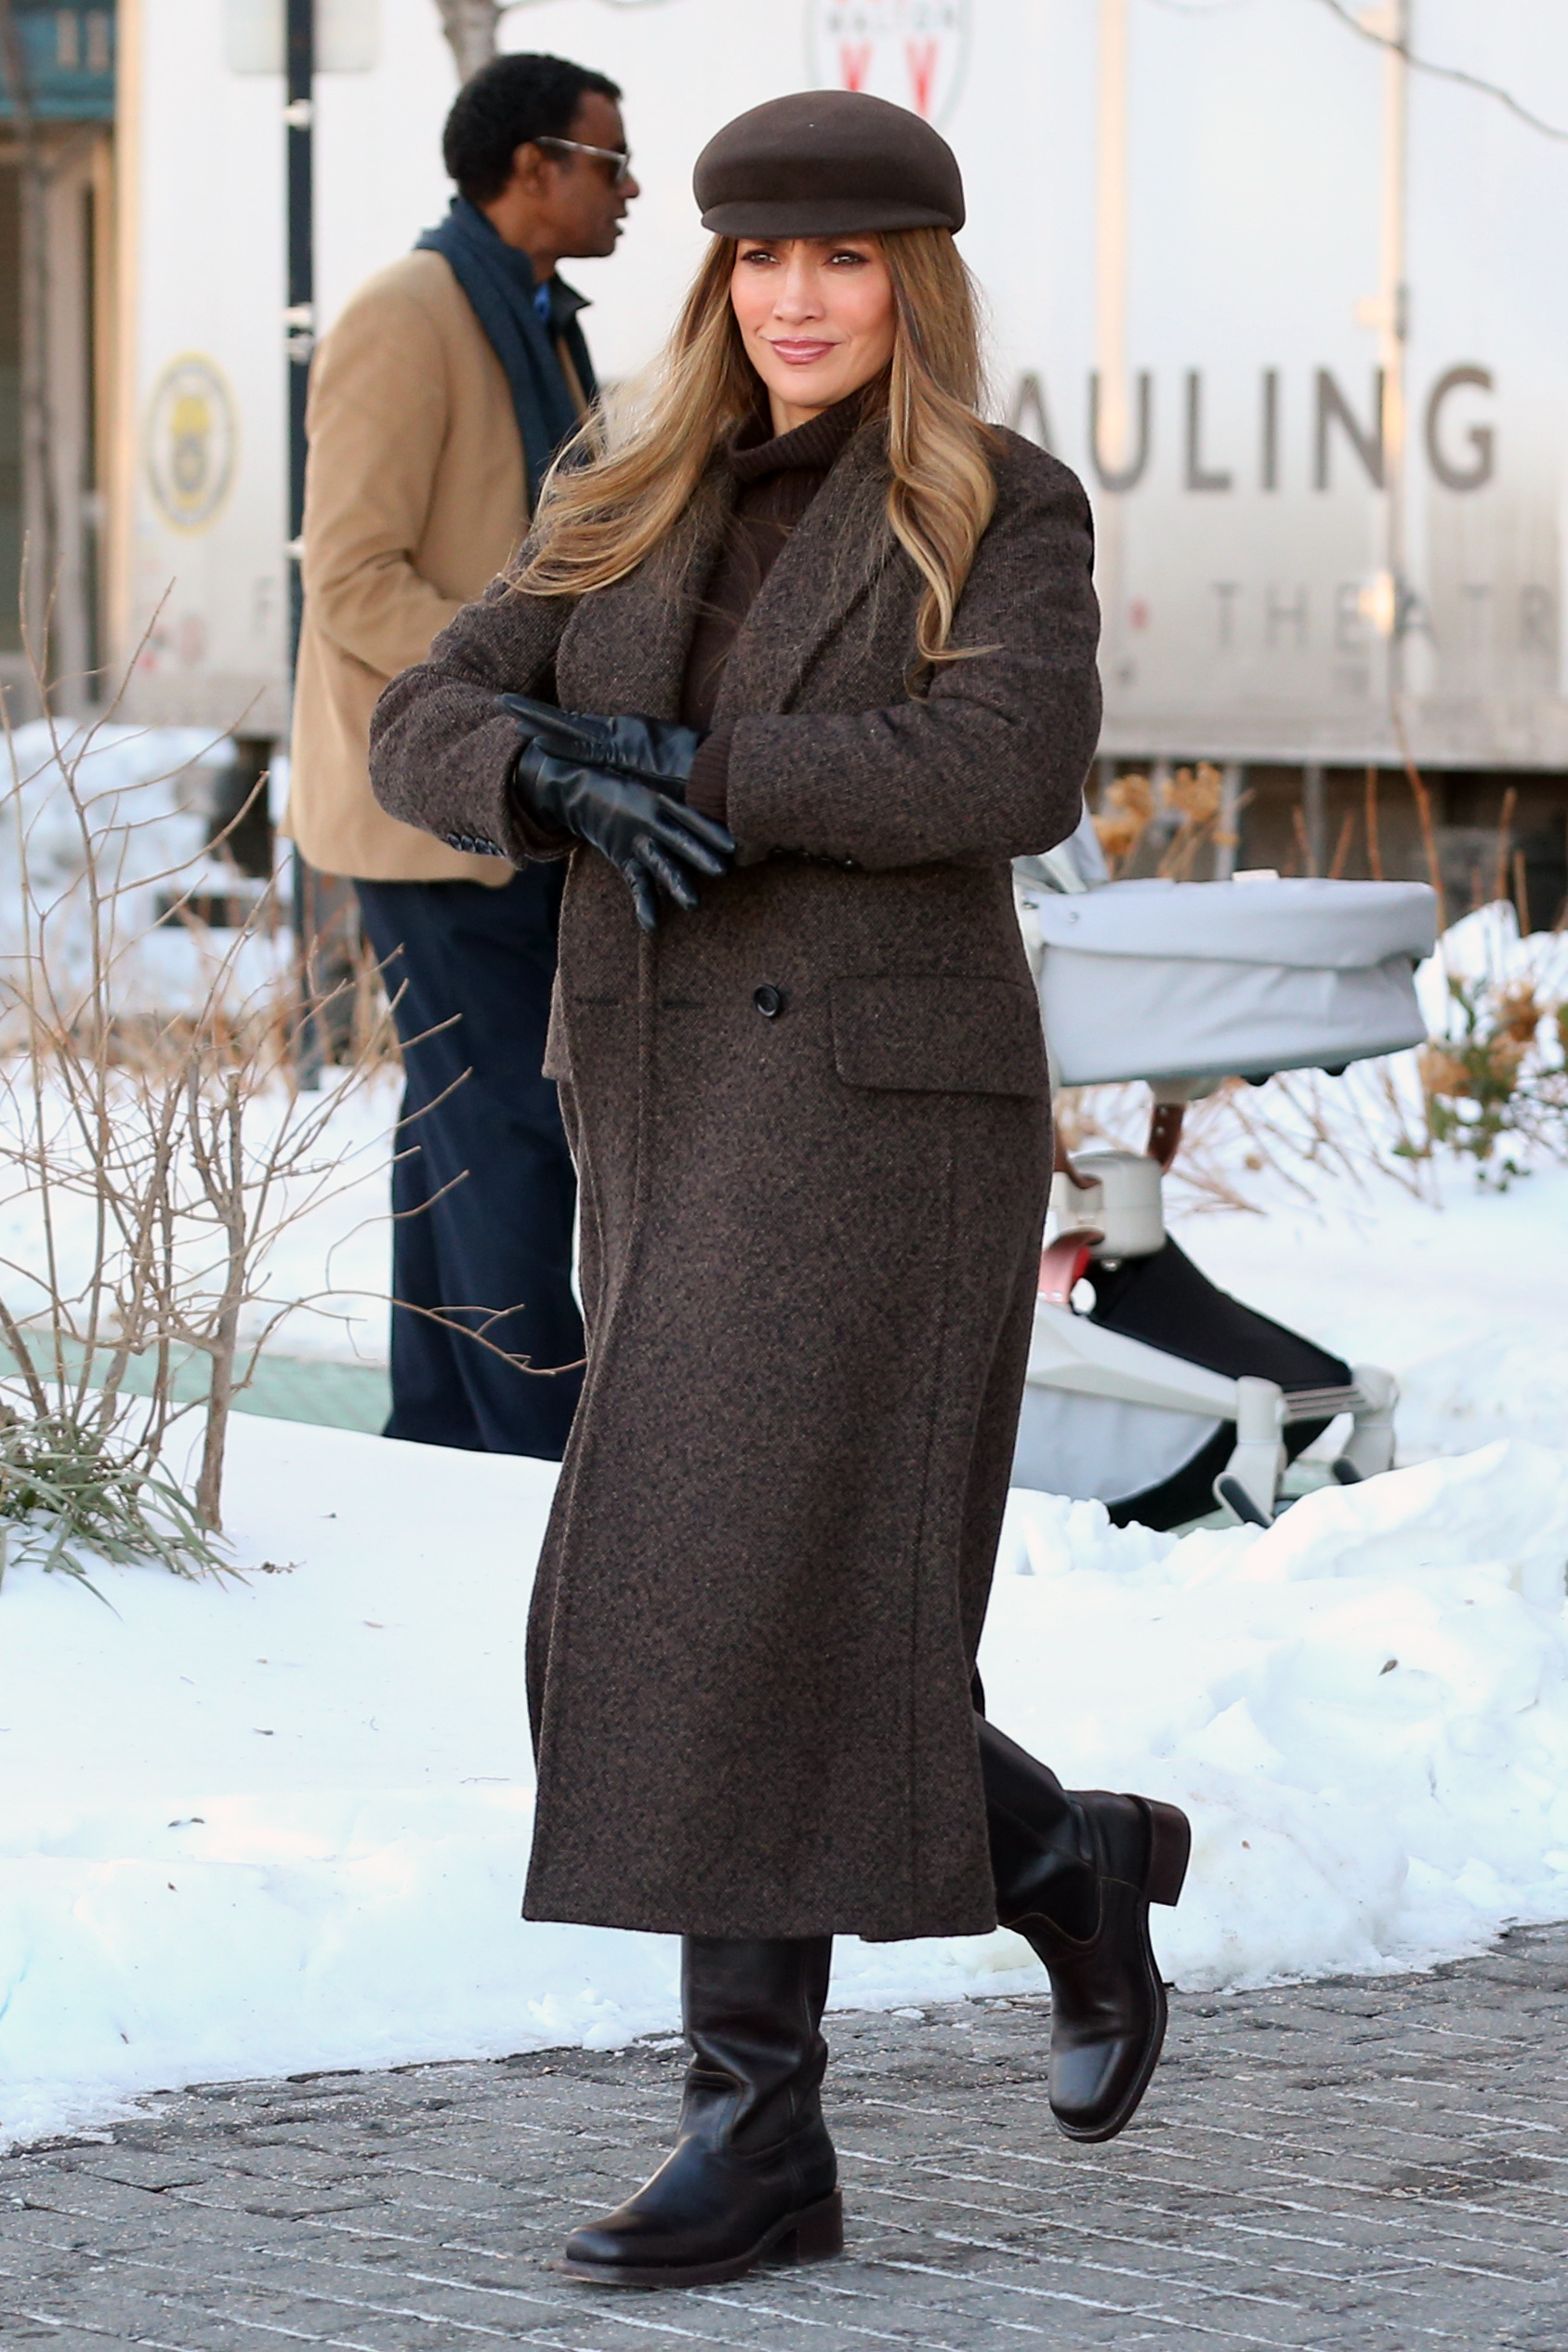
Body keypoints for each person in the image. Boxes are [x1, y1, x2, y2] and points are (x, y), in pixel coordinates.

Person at [369, 89, 1191, 2289]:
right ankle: (1061, 1864)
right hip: (657, 1102)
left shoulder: (999, 505)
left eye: (839, 262)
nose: (795, 299)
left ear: (906, 282)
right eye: (758, 259)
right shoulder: (616, 486)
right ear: (717, 277)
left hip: (873, 1122)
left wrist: (702, 768)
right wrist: (540, 765)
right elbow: (415, 713)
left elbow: (1002, 766)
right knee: (751, 1590)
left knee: (725, 1584)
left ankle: (755, 2127)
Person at [285, 52, 639, 1460]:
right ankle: (528, 1459)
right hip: (430, 807)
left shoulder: (536, 319)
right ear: (534, 164)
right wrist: (530, 700)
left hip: (510, 798)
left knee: (458, 1134)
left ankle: (437, 1434)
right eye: (611, 161)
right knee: (505, 1130)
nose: (629, 189)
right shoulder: (405, 317)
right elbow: (354, 582)